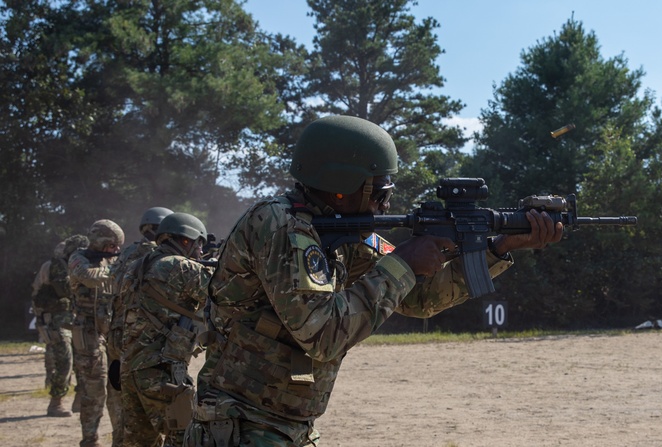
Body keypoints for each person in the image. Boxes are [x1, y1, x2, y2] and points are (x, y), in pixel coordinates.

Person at [184, 115, 563, 446]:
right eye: (380, 192)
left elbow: (420, 299)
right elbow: (323, 334)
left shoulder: (342, 231)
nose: (385, 204)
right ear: (343, 184)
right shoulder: (282, 225)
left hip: (281, 425)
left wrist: (499, 247)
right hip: (243, 425)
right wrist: (403, 263)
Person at [118, 212, 213, 447]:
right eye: (199, 244)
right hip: (162, 373)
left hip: (130, 369)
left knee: (138, 441)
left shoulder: (135, 267)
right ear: (185, 241)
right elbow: (225, 292)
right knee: (186, 438)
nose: (201, 252)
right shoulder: (179, 266)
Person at [107, 206, 173, 447]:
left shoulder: (127, 253)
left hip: (117, 334)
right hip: (141, 336)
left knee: (121, 399)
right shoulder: (161, 255)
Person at [69, 219, 125, 447]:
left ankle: (120, 440)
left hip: (112, 332)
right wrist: (118, 268)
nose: (116, 250)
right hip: (87, 331)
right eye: (112, 245)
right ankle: (90, 440)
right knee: (94, 388)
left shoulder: (114, 261)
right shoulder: (78, 258)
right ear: (101, 241)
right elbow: (88, 276)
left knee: (117, 388)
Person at [31, 234, 90, 417]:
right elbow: (37, 294)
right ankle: (56, 402)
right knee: (65, 361)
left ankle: (80, 399)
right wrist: (41, 318)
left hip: (77, 320)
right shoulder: (51, 268)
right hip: (57, 321)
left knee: (83, 361)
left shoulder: (83, 267)